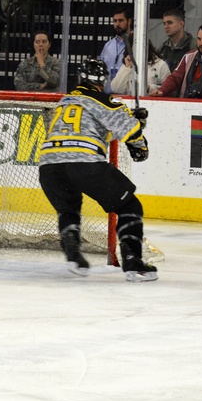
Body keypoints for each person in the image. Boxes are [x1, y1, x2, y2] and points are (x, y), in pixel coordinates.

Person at [38, 58, 157, 282]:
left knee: (69, 210)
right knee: (130, 205)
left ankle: (74, 256)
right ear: (103, 80)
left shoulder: (65, 101)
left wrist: (134, 122)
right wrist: (140, 143)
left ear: (80, 78)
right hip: (83, 163)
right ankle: (133, 263)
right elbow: (129, 131)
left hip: (49, 166)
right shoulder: (104, 99)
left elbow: (90, 129)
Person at [151, 22, 202, 99]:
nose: (201, 43)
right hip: (187, 105)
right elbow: (175, 78)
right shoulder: (188, 56)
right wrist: (162, 90)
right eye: (199, 39)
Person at [99, 5, 132, 81]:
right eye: (115, 21)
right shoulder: (108, 46)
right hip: (108, 92)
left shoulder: (136, 43)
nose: (117, 24)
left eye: (121, 20)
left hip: (127, 92)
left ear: (129, 21)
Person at [157, 8, 195, 73]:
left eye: (169, 23)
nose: (166, 26)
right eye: (164, 23)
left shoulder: (194, 46)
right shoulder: (162, 49)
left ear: (181, 24)